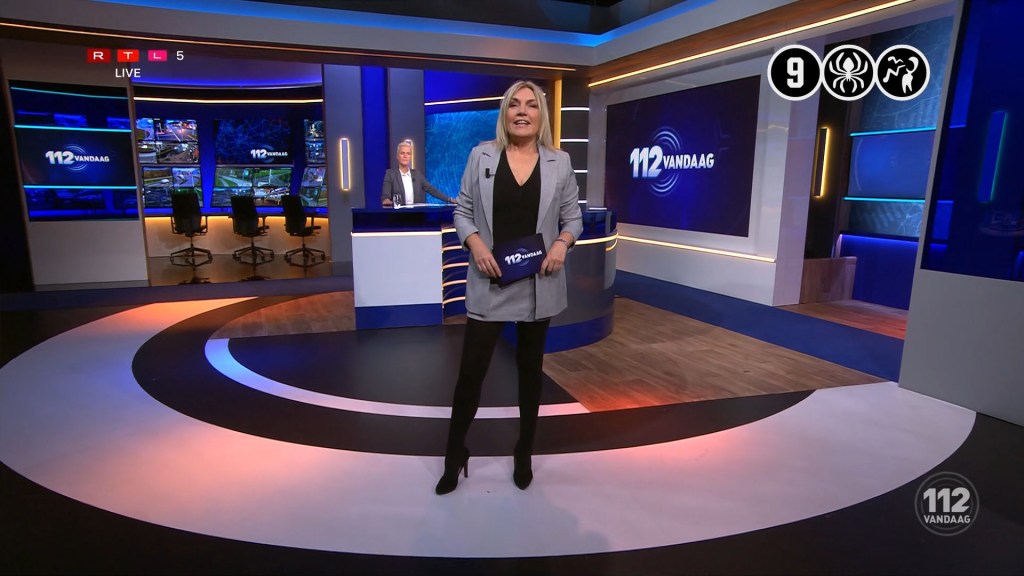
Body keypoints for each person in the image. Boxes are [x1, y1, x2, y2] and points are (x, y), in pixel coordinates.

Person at [435, 80, 583, 495]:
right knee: (471, 375)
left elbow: (573, 218)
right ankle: (454, 454)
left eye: (531, 105)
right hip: (491, 283)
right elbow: (462, 211)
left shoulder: (560, 162)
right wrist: (476, 243)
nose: (522, 111)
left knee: (530, 375)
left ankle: (524, 453)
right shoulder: (480, 155)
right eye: (514, 105)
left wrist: (561, 244)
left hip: (538, 284)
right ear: (505, 113)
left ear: (541, 115)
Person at [380, 140, 454, 207]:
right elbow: (385, 196)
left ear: (410, 157)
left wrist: (449, 199)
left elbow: (432, 190)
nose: (405, 156)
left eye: (408, 154)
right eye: (402, 153)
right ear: (397, 156)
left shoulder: (417, 175)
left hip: (416, 214)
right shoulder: (390, 174)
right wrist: (386, 200)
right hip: (398, 216)